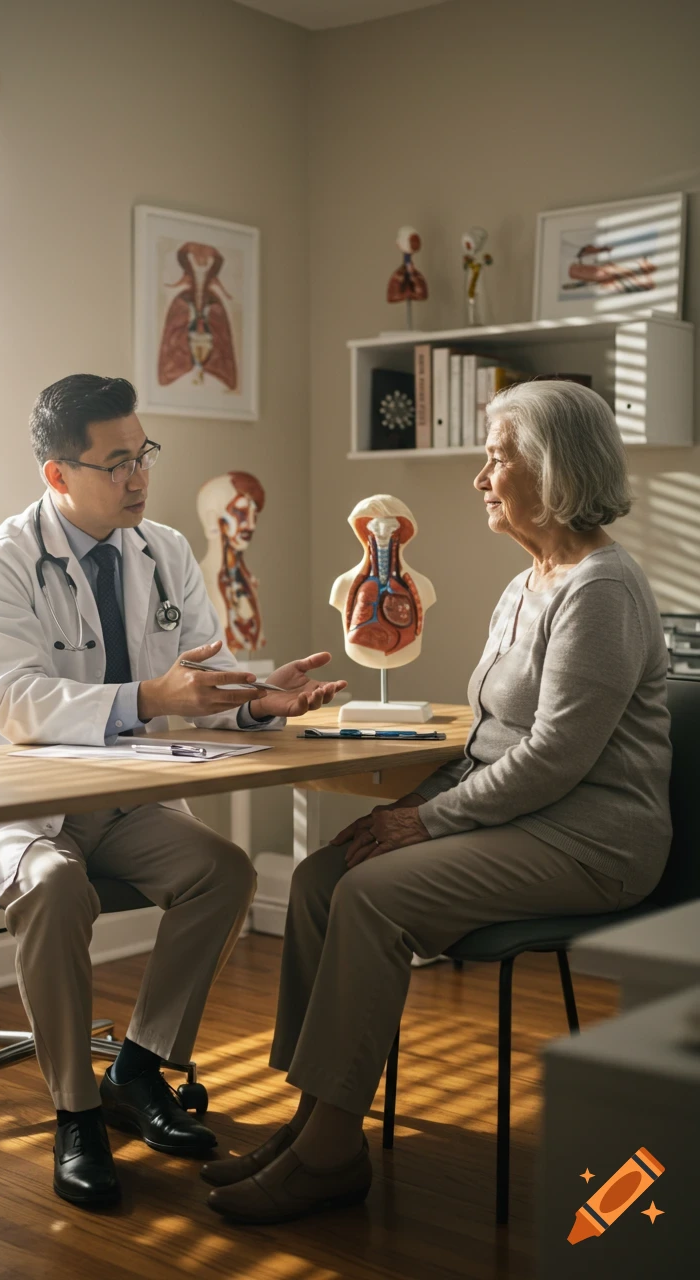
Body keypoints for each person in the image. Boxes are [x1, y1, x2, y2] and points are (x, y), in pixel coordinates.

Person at [202, 379, 672, 1224]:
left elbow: (556, 759)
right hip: (523, 817)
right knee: (322, 877)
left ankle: (332, 1154)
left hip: (591, 841)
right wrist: (406, 810)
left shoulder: (600, 590)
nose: (481, 477)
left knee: (374, 896)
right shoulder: (526, 583)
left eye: (499, 457)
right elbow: (493, 739)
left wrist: (420, 818)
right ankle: (314, 1114)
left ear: (555, 468)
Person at [0, 374, 346, 1209]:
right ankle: (76, 1112)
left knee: (225, 870)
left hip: (131, 797)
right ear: (58, 475)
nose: (138, 477)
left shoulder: (164, 550)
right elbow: (12, 702)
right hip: (27, 803)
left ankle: (137, 1068)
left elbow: (198, 682)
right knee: (57, 887)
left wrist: (256, 701)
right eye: (116, 462)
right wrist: (148, 699)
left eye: (144, 456)